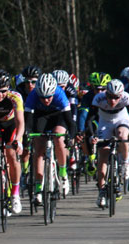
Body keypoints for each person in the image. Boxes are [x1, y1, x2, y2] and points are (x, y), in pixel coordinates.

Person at [23, 73, 76, 206]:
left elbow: (70, 122)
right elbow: (27, 122)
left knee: (59, 138)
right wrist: (26, 135)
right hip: (41, 116)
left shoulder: (60, 94)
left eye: (49, 97)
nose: (46, 100)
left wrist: (71, 137)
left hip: (58, 116)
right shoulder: (33, 95)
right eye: (43, 97)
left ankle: (63, 173)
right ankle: (38, 188)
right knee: (39, 149)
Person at [86, 79, 129, 207]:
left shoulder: (126, 97)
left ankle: (125, 163)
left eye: (116, 98)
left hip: (122, 120)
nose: (113, 101)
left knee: (122, 135)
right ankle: (102, 191)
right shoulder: (98, 98)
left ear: (121, 95)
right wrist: (92, 135)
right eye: (110, 97)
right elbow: (90, 119)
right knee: (103, 154)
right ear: (106, 94)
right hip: (105, 123)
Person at [0, 71, 25, 214]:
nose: (0, 95)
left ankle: (15, 194)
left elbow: (20, 122)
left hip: (10, 125)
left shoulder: (15, 97)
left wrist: (18, 140)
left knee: (12, 154)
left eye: (4, 91)